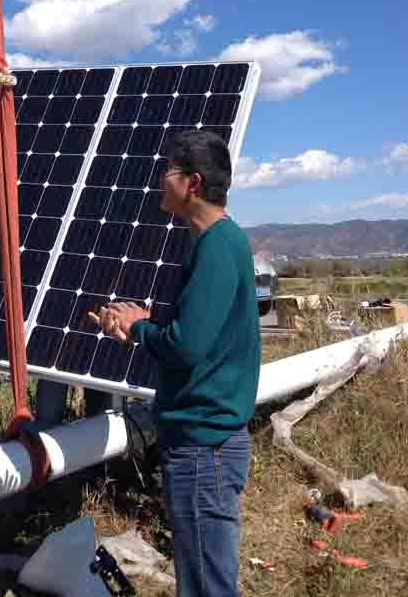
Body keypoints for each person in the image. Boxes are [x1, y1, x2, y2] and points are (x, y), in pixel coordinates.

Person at [90, 130, 260, 597]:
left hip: (204, 447)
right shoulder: (219, 242)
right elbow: (199, 338)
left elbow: (186, 347)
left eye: (168, 170)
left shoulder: (217, 248)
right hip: (206, 443)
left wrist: (141, 328)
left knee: (207, 584)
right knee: (203, 577)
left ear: (193, 183)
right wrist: (139, 327)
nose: (160, 179)